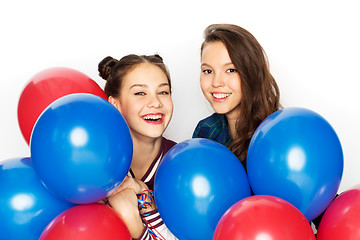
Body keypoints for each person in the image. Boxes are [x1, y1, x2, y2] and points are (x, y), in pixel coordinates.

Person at [98, 54, 178, 240]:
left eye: (163, 92)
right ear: (115, 104)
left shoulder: (183, 163)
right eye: (140, 93)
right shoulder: (97, 163)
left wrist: (136, 223)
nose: (156, 103)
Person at [193, 23, 282, 169]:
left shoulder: (276, 133)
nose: (217, 82)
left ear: (251, 73)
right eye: (208, 71)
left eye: (230, 70)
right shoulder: (206, 131)